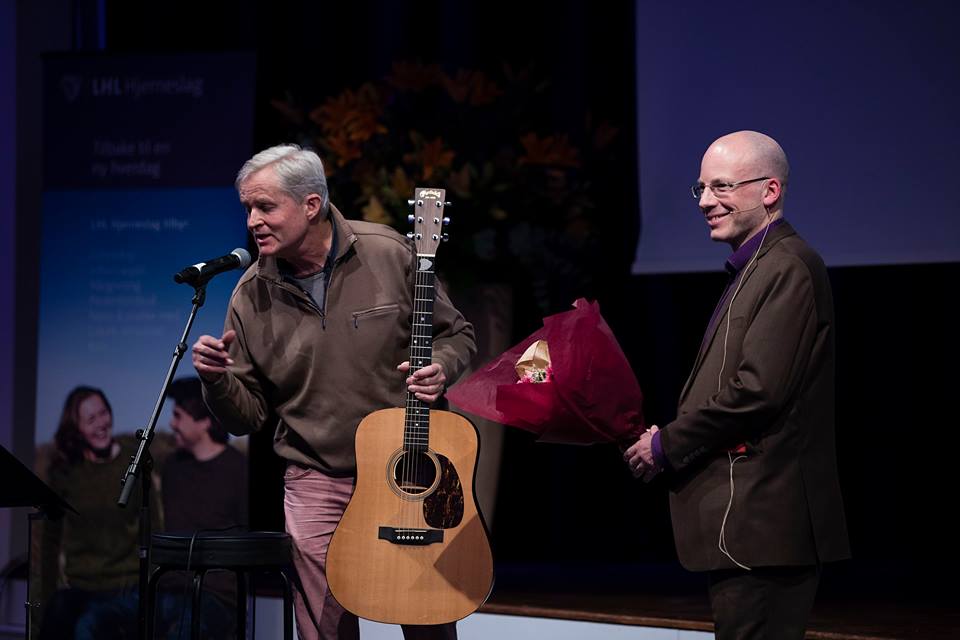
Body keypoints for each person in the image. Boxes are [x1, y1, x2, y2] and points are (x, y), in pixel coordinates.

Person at [191, 143, 476, 640]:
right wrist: (217, 381)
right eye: (247, 209)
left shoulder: (386, 253)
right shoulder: (250, 295)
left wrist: (441, 367)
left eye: (265, 206)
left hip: (406, 473)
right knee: (325, 629)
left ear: (310, 205)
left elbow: (458, 334)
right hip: (317, 479)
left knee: (427, 616)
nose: (253, 220)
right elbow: (246, 418)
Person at [624, 131, 850, 639]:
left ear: (769, 191)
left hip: (765, 523)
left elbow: (756, 391)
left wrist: (666, 443)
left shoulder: (786, 267)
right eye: (700, 189)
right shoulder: (758, 268)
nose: (705, 201)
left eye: (721, 187)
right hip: (745, 525)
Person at [39, 386, 150, 640]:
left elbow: (151, 528)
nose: (101, 423)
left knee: (89, 628)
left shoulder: (133, 462)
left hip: (126, 588)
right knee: (55, 617)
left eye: (103, 413)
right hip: (81, 588)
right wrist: (46, 598)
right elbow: (50, 541)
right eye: (91, 419)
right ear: (76, 428)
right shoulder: (66, 471)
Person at [157, 376, 248, 639]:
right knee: (96, 619)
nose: (172, 424)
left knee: (182, 631)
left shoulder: (238, 469)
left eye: (178, 416)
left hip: (217, 595)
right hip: (169, 587)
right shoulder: (172, 467)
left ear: (204, 421)